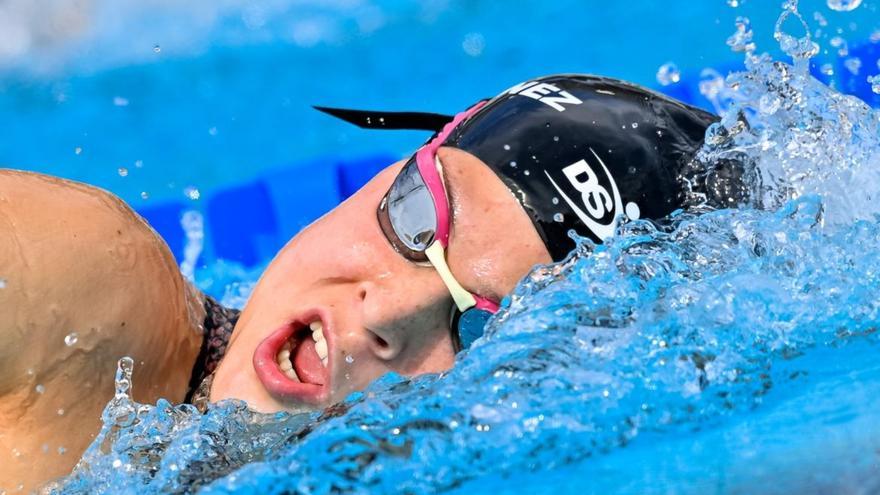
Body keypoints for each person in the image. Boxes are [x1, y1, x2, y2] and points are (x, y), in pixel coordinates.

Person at [0, 74, 719, 490]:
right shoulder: (84, 290)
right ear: (385, 173)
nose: (391, 308)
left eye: (478, 328)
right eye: (416, 217)